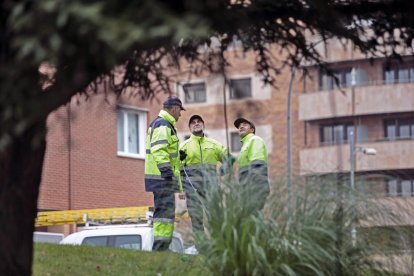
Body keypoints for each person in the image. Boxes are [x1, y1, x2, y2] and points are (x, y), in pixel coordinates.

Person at [180, 114, 232, 236]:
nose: (196, 123)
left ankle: (217, 248)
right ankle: (201, 249)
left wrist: (222, 171)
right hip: (193, 191)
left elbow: (230, 159)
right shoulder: (183, 147)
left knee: (215, 218)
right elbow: (177, 169)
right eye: (193, 122)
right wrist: (182, 188)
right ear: (189, 128)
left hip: (211, 189)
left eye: (199, 121)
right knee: (196, 221)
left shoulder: (214, 145)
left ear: (203, 125)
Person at [144, 96, 185, 251]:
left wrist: (178, 156)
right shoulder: (163, 124)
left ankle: (162, 246)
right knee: (164, 215)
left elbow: (163, 149)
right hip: (163, 178)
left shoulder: (163, 124)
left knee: (165, 214)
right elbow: (158, 149)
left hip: (162, 178)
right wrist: (166, 170)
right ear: (174, 108)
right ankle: (160, 248)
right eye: (180, 111)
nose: (180, 115)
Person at [234, 117, 270, 210]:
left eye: (245, 125)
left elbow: (257, 166)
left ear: (252, 130)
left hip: (254, 187)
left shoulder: (254, 140)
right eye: (239, 126)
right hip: (248, 189)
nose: (241, 126)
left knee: (253, 217)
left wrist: (253, 190)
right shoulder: (246, 145)